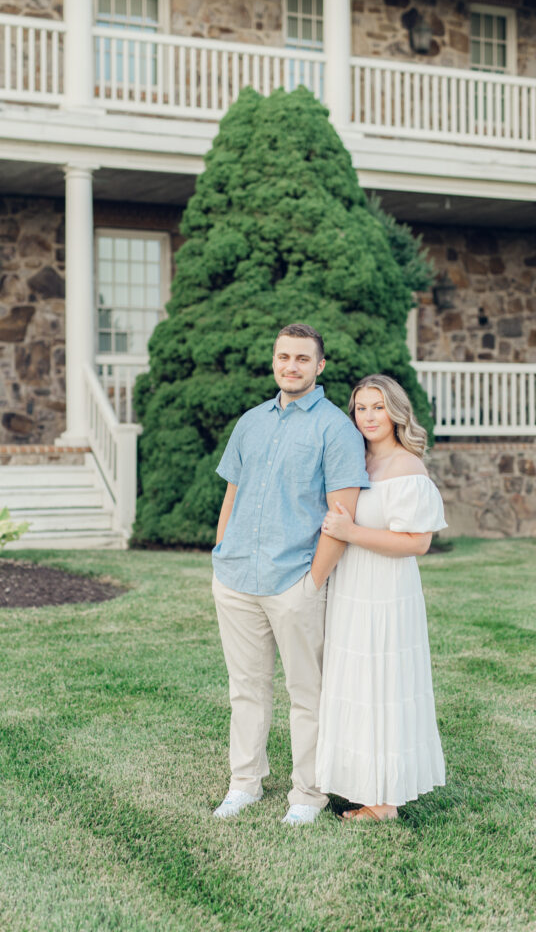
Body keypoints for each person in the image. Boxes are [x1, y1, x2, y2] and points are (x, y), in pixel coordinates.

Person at [211, 324, 369, 826]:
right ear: (274, 362)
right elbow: (232, 495)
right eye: (284, 357)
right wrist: (221, 551)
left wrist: (312, 583)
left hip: (294, 582)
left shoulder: (335, 430)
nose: (291, 366)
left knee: (308, 693)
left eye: (303, 358)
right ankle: (244, 784)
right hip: (236, 578)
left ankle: (308, 793)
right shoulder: (251, 422)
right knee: (246, 687)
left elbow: (341, 515)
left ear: (319, 366)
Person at [316, 374, 447, 821]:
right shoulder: (355, 462)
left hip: (387, 590)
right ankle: (359, 783)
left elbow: (417, 543)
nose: (368, 416)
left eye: (377, 407)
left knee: (384, 683)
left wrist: (351, 532)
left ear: (395, 412)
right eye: (360, 408)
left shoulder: (407, 468)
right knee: (354, 680)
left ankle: (385, 801)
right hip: (352, 586)